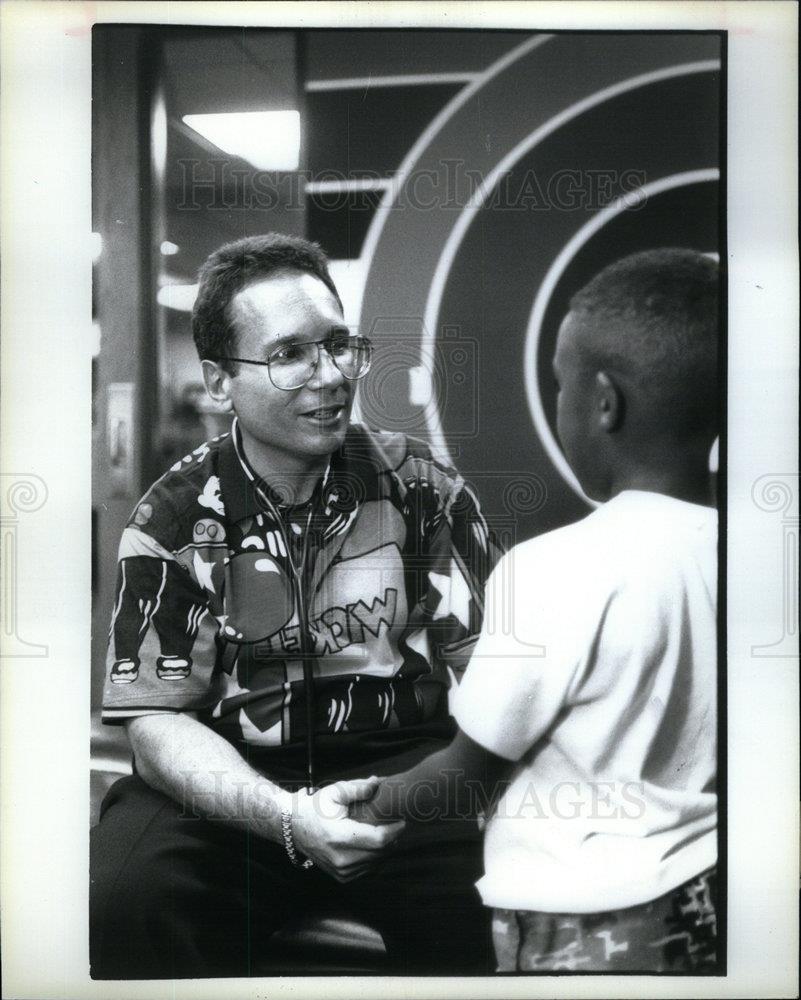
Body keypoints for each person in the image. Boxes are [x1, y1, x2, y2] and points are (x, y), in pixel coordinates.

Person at [90, 233, 500, 978]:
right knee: (122, 902)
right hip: (229, 780)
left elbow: (498, 672)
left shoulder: (423, 488)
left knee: (492, 906)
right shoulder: (173, 518)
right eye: (289, 355)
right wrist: (285, 820)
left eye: (338, 344)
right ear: (219, 383)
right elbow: (154, 722)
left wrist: (433, 791)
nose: (330, 375)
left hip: (400, 773)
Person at [351, 247, 720, 973]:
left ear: (604, 402)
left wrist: (353, 807)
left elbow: (464, 775)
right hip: (705, 896)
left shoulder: (556, 567)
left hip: (577, 922)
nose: (558, 405)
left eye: (560, 387)